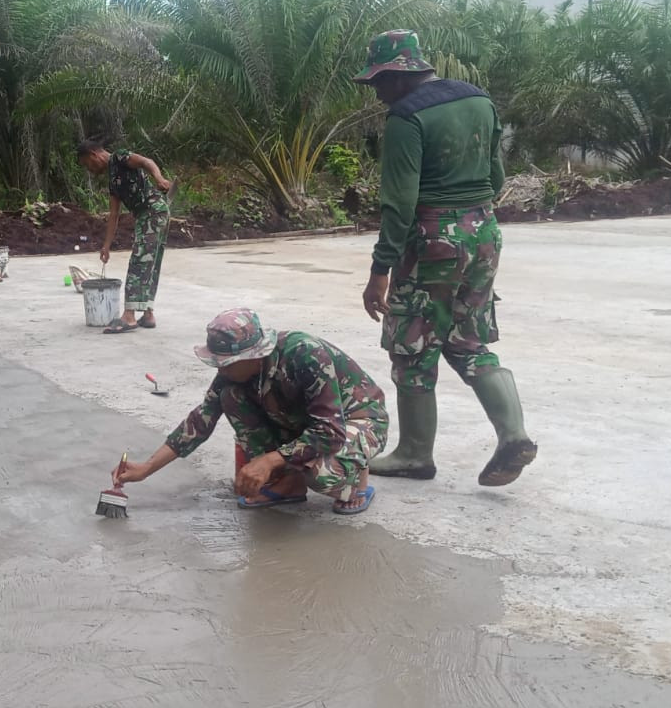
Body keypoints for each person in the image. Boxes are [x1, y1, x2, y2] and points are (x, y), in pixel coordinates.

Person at [353, 29, 536, 486]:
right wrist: (469, 214)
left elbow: (399, 205)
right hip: (484, 233)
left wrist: (380, 272)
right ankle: (513, 433)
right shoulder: (479, 100)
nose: (377, 93)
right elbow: (495, 177)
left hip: (431, 241)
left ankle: (415, 454)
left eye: (378, 82)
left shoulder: (405, 118)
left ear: (398, 74)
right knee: (468, 341)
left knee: (412, 348)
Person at [112, 308, 388, 514]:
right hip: (307, 422)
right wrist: (146, 469)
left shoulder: (305, 355)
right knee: (230, 397)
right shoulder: (234, 373)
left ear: (254, 355)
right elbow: (201, 420)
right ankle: (289, 482)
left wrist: (268, 460)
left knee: (321, 474)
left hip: (357, 420)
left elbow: (330, 431)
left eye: (226, 363)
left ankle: (357, 479)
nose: (220, 369)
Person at [76, 140, 173, 334]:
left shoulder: (119, 157)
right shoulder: (113, 180)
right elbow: (113, 216)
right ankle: (148, 313)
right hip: (151, 214)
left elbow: (147, 161)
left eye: (88, 164)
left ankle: (129, 316)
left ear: (94, 155)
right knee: (150, 262)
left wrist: (159, 178)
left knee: (139, 261)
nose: (90, 169)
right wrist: (106, 246)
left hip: (153, 210)